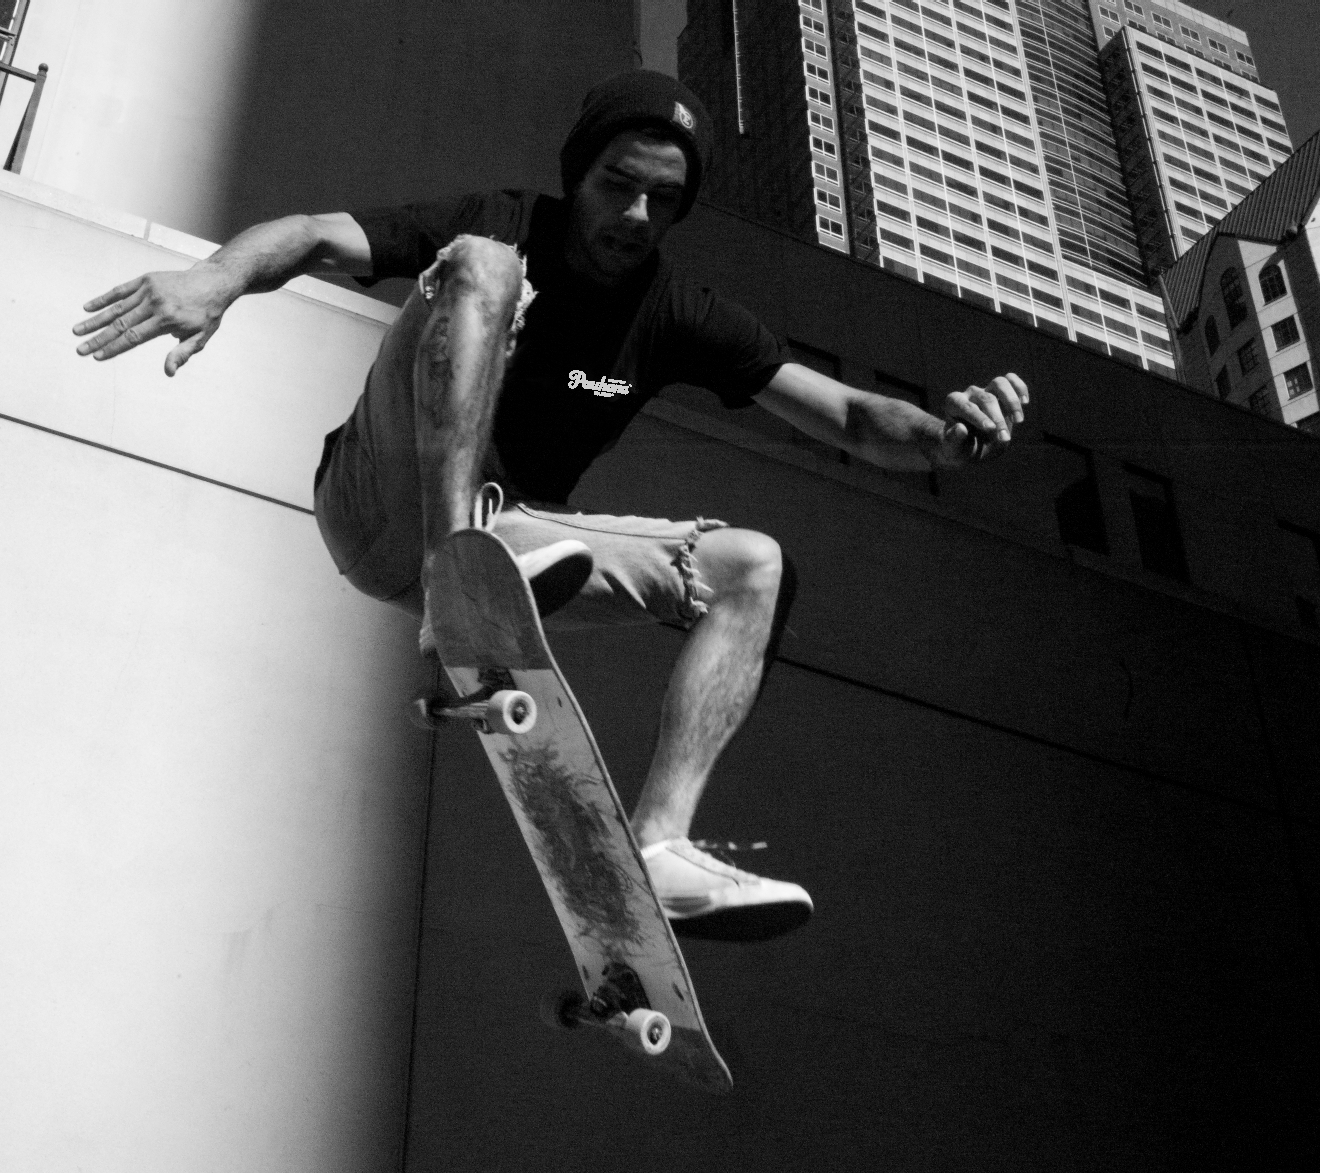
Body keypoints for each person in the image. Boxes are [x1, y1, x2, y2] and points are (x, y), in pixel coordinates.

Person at [72, 70, 1029, 941]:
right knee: (484, 265)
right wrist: (216, 278)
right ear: (580, 175)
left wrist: (945, 440)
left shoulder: (677, 313)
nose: (636, 215)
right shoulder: (503, 216)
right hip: (378, 497)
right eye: (619, 184)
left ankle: (660, 846)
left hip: (510, 531)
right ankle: (459, 575)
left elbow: (854, 415)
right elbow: (316, 233)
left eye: (663, 198)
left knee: (755, 567)